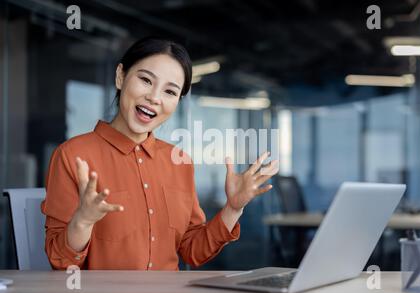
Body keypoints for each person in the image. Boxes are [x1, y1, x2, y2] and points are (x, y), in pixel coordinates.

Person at [41, 37, 279, 270]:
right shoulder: (73, 155)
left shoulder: (180, 161)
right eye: (145, 80)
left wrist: (233, 208)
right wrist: (82, 221)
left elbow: (193, 252)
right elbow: (61, 262)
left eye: (170, 91)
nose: (154, 98)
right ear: (120, 76)